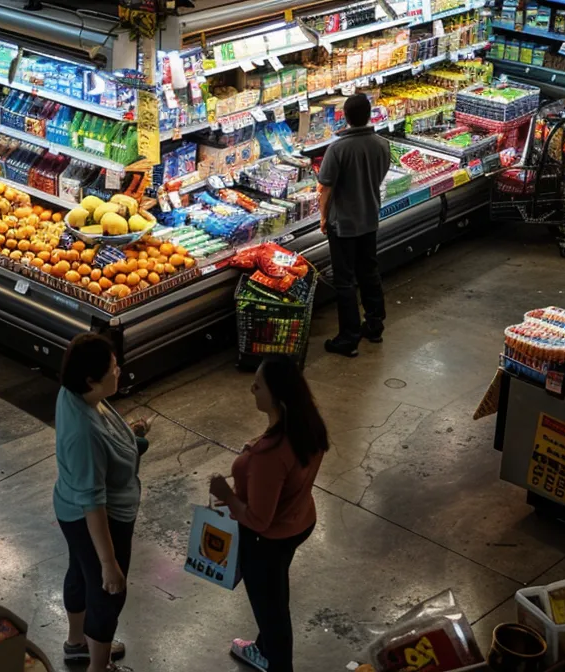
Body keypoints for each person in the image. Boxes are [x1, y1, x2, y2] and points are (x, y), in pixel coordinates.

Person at [209, 356, 330, 672]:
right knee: (276, 596)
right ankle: (262, 648)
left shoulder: (270, 454)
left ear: (277, 395)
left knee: (272, 613)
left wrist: (227, 496)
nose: (252, 389)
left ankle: (276, 662)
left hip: (266, 540)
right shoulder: (309, 425)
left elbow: (259, 520)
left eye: (258, 385)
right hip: (299, 522)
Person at [53, 333, 149, 672]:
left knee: (80, 573)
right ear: (92, 380)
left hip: (69, 505)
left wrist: (130, 439)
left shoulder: (75, 394)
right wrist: (108, 562)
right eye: (112, 368)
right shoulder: (84, 434)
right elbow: (93, 504)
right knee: (108, 593)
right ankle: (98, 665)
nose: (118, 371)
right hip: (97, 518)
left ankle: (77, 643)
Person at [317, 93, 393, 357]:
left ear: (345, 118)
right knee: (369, 272)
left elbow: (325, 188)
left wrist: (323, 217)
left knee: (345, 280)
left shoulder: (337, 149)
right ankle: (374, 326)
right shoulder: (382, 144)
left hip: (344, 224)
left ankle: (348, 338)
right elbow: (380, 175)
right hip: (369, 218)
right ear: (369, 115)